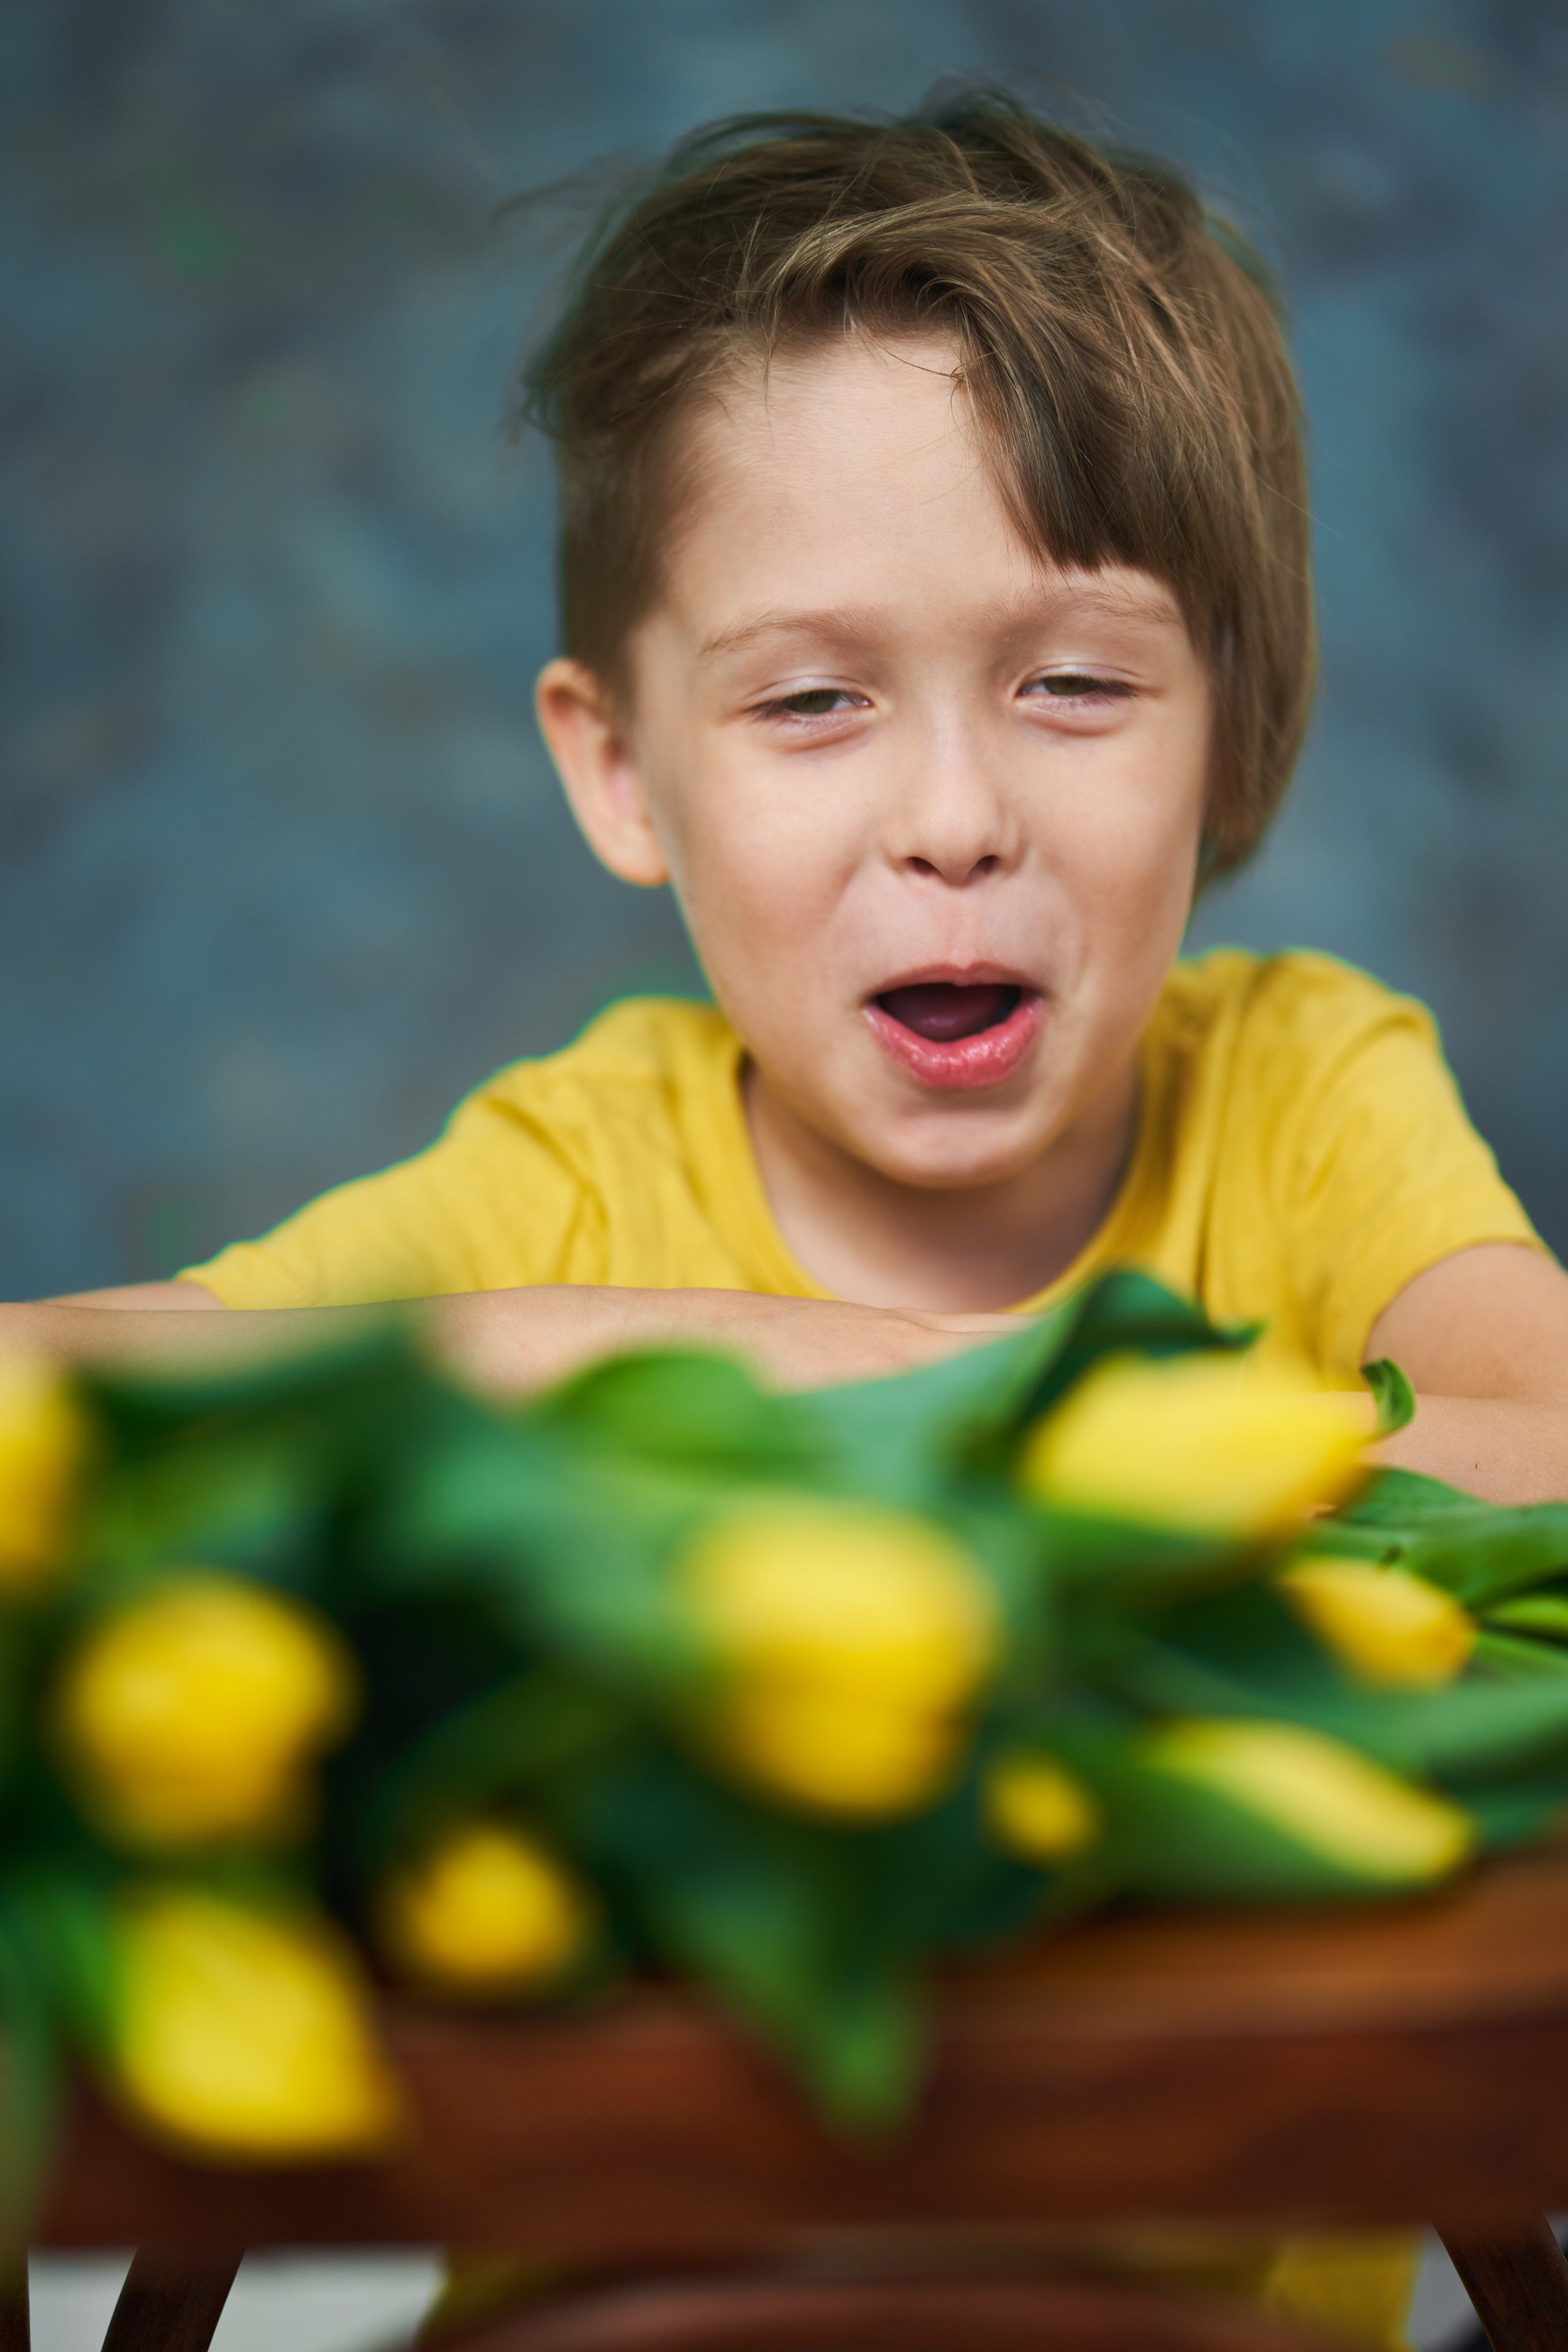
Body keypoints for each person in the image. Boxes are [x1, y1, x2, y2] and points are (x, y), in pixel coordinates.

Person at [7, 91, 1568, 2340]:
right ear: (623, 768)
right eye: (814, 699)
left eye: (1077, 682)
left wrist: (944, 1419)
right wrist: (756, 1373)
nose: (953, 817)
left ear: (1231, 736)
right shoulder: (569, 1177)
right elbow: (38, 1383)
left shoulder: (1304, 1093)